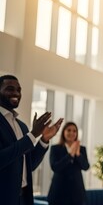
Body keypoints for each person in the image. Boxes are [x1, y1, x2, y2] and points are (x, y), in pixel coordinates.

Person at [0, 74, 63, 205]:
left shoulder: (22, 126)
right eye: (10, 89)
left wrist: (44, 139)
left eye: (18, 90)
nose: (16, 93)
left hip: (23, 198)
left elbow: (29, 164)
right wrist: (33, 134)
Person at [47, 122, 90, 205]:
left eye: (74, 131)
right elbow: (55, 167)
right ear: (64, 132)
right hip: (59, 192)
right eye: (69, 130)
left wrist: (78, 154)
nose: (72, 133)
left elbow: (86, 167)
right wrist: (70, 155)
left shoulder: (82, 149)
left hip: (77, 194)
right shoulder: (55, 148)